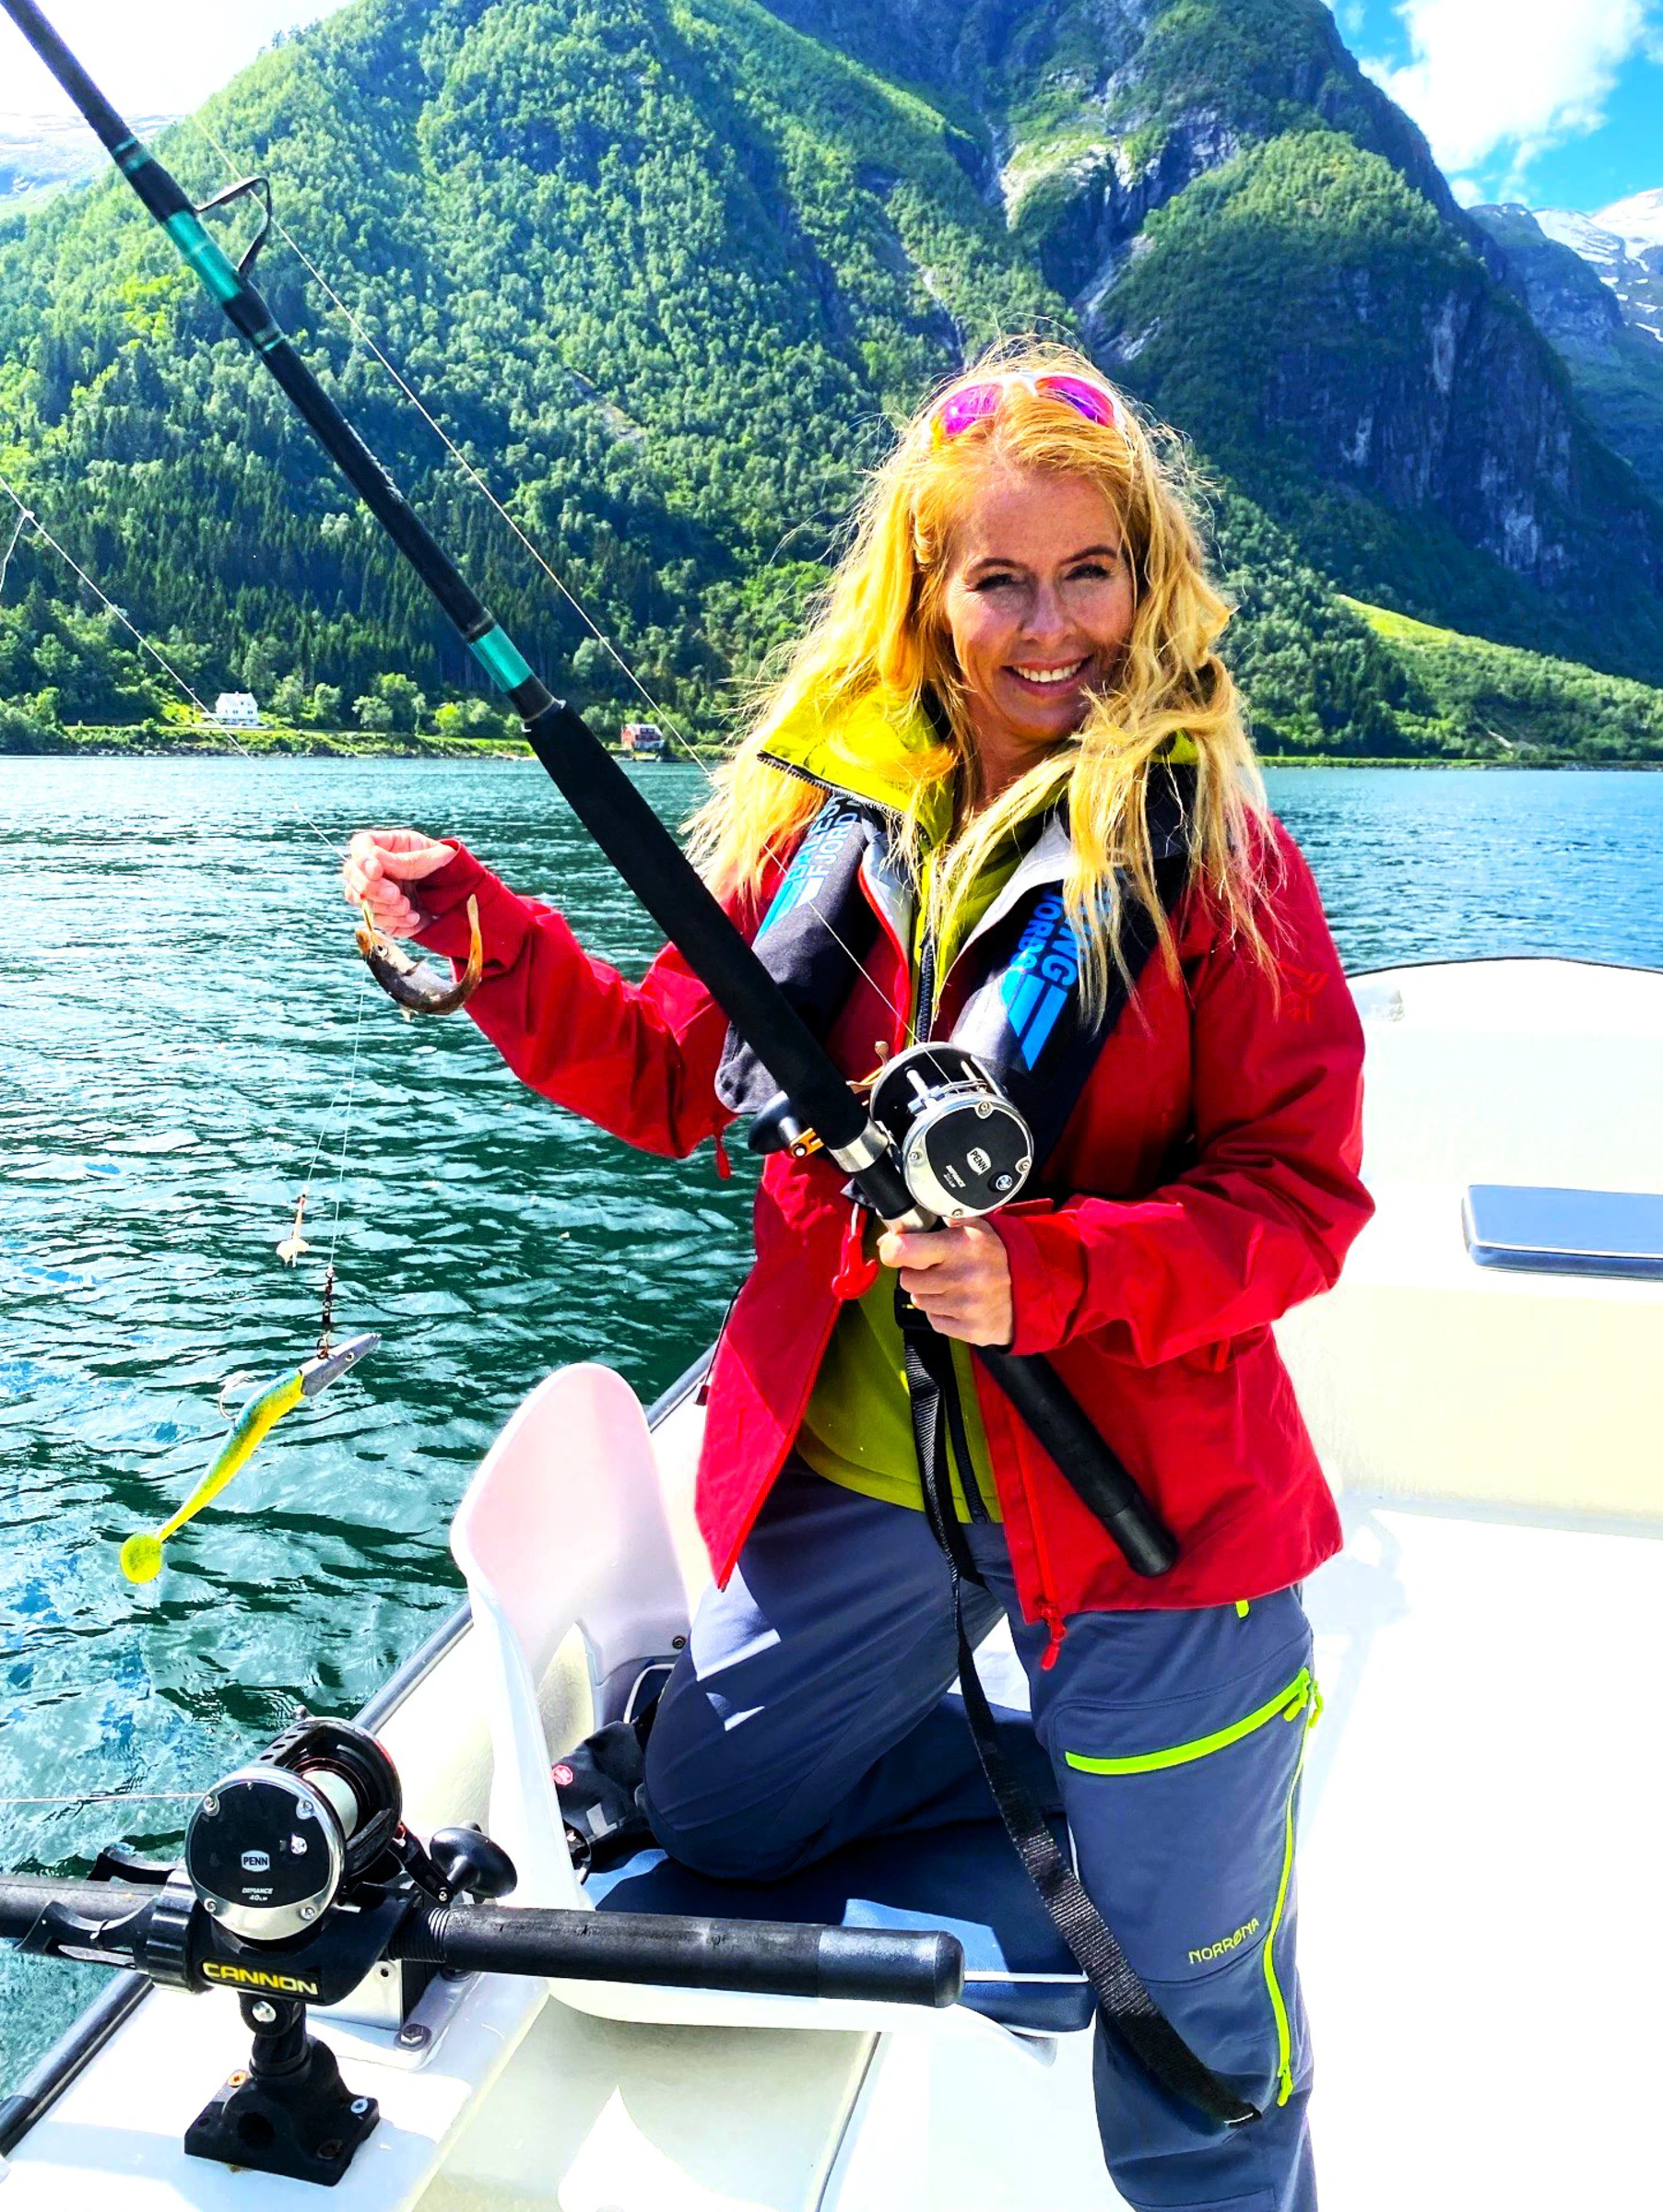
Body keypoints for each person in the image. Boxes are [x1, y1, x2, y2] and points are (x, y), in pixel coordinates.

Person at [344, 343, 1372, 2211]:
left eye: (1090, 571)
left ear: (1147, 580)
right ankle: (1059, 1786)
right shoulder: (825, 828)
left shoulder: (1225, 857)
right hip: (870, 1475)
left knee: (1194, 2036)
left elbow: (1298, 1201)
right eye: (1000, 577)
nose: (1049, 625)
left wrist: (1049, 1270)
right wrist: (493, 940)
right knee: (713, 1819)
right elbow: (670, 1073)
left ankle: (1173, 1847)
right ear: (927, 587)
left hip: (1138, 1502)